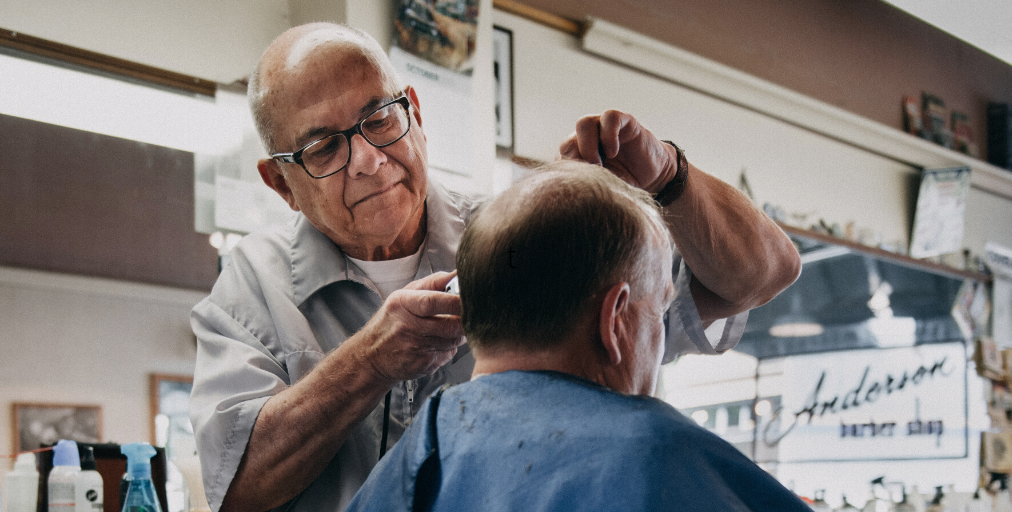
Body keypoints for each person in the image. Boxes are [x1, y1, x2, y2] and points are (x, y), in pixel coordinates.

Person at [188, 22, 800, 512]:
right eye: (324, 146)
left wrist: (667, 173)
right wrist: (370, 361)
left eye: (379, 118)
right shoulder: (251, 290)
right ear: (280, 183)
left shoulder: (519, 228)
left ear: (415, 112)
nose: (369, 161)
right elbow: (237, 489)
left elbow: (761, 276)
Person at [346, 161, 811, 512]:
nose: (661, 330)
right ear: (615, 320)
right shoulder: (663, 457)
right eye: (660, 308)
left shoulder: (411, 460)